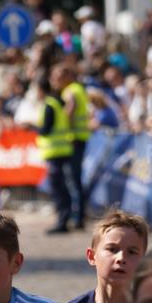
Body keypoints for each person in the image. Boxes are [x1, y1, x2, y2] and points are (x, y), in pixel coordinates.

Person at [52, 63, 91, 230]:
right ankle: (79, 216)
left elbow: (71, 108)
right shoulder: (79, 88)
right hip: (81, 137)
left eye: (58, 77)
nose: (55, 80)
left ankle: (76, 217)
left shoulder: (70, 91)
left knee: (72, 180)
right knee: (76, 180)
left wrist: (61, 123)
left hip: (73, 138)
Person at [36, 74, 73, 235]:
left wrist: (32, 126)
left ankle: (62, 221)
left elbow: (45, 129)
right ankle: (64, 218)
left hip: (54, 151)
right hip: (63, 149)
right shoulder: (58, 101)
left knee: (58, 188)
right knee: (62, 186)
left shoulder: (49, 105)